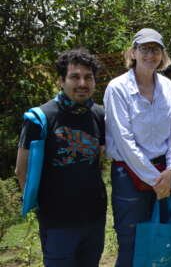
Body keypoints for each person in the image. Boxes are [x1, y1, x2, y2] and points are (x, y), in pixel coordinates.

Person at [15, 49, 107, 266]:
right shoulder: (41, 118)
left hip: (94, 218)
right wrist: (43, 209)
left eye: (88, 77)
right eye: (75, 77)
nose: (82, 83)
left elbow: (99, 158)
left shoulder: (100, 115)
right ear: (61, 80)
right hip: (57, 221)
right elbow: (22, 170)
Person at [104, 28, 171, 266]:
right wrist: (156, 180)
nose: (151, 55)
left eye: (156, 49)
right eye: (145, 49)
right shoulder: (117, 88)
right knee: (132, 243)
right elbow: (123, 140)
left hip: (167, 173)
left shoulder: (168, 86)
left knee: (165, 240)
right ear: (133, 52)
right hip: (129, 176)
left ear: (163, 55)